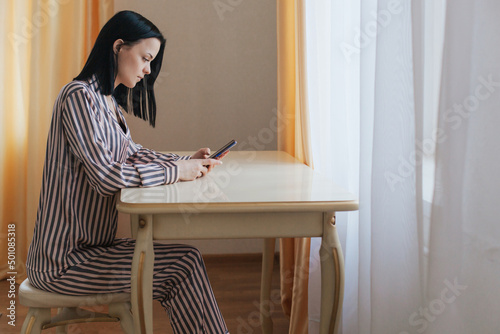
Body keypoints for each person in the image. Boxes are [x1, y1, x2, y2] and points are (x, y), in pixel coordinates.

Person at [26, 10, 229, 333]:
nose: (148, 70)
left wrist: (183, 163)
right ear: (119, 47)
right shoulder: (78, 97)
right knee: (183, 265)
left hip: (94, 249)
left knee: (187, 258)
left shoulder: (107, 103)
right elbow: (107, 176)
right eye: (146, 58)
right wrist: (179, 172)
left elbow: (134, 155)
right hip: (64, 263)